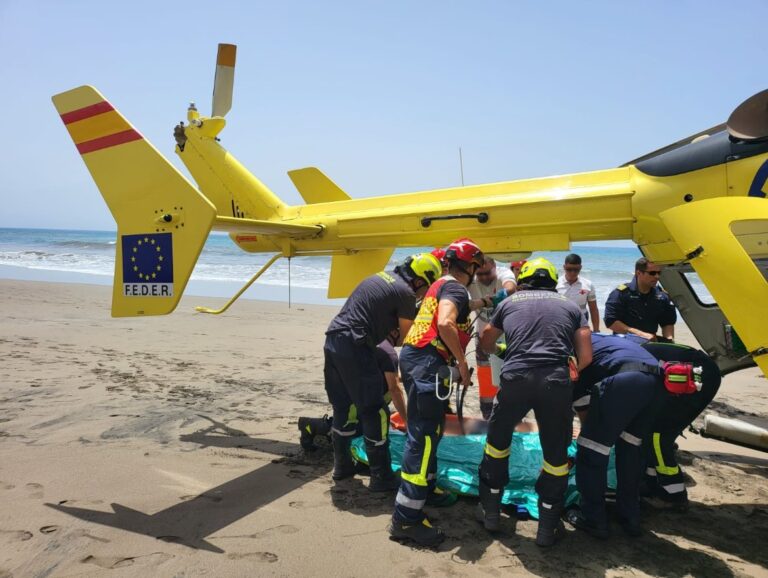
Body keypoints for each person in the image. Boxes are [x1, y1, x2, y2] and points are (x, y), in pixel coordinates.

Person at [476, 257, 592, 547]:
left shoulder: (509, 303)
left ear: (524, 278)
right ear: (554, 281)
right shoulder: (569, 306)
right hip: (555, 381)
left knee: (497, 443)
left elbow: (486, 340)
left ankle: (491, 514)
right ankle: (547, 529)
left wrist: (503, 351)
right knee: (555, 455)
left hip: (515, 379)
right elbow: (586, 357)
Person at [389, 238, 485, 547]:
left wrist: (487, 302)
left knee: (430, 429)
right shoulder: (456, 288)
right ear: (470, 267)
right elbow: (445, 323)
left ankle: (427, 488)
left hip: (417, 358)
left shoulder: (439, 286)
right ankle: (406, 518)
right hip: (431, 363)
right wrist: (462, 364)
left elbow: (450, 312)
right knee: (425, 438)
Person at [324, 252, 442, 492]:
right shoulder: (406, 293)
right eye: (424, 289)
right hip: (356, 343)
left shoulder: (380, 277)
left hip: (333, 339)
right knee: (375, 411)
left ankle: (342, 465)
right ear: (420, 280)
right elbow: (409, 338)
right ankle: (382, 476)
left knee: (343, 407)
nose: (422, 294)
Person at [569, 334, 670, 538]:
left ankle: (593, 519)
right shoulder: (598, 339)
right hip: (658, 384)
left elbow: (581, 403)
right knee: (631, 447)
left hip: (626, 381)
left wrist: (592, 435)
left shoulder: (572, 350)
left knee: (591, 450)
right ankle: (630, 517)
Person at [641, 341, 721, 510]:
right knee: (650, 430)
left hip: (697, 378)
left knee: (658, 436)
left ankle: (673, 495)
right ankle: (651, 483)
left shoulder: (629, 358)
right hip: (697, 371)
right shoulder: (628, 348)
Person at [468, 256, 517, 419]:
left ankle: (512, 410)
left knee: (509, 374)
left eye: (487, 273)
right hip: (483, 336)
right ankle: (487, 412)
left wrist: (493, 299)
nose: (483, 277)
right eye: (480, 274)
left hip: (506, 336)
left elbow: (510, 288)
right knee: (485, 374)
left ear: (495, 266)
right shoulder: (471, 280)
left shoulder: (504, 273)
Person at [604, 258, 677, 341]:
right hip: (624, 341)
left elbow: (667, 322)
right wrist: (640, 334)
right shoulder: (621, 293)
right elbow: (610, 321)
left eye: (659, 273)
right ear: (638, 273)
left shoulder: (662, 296)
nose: (657, 276)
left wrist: (669, 340)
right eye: (652, 273)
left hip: (651, 342)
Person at [556, 253, 600, 333]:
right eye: (569, 269)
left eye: (576, 269)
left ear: (580, 267)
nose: (573, 272)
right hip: (561, 320)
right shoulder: (555, 284)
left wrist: (596, 330)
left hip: (581, 320)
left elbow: (593, 309)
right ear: (564, 267)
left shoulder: (588, 285)